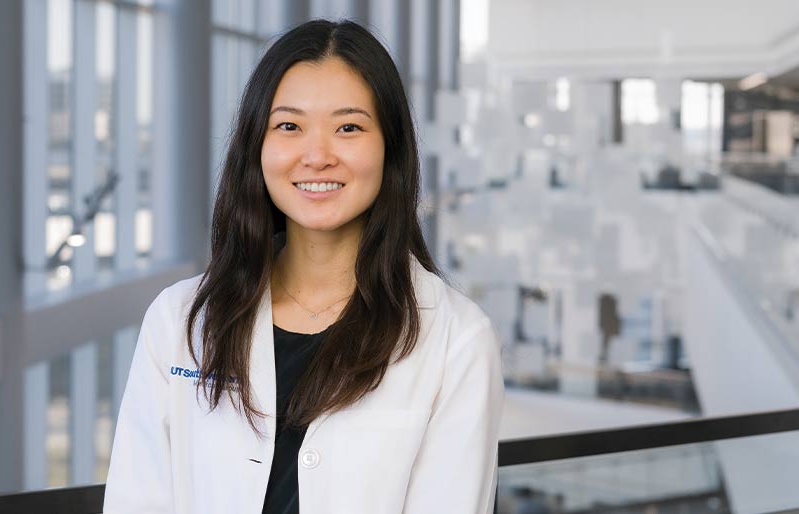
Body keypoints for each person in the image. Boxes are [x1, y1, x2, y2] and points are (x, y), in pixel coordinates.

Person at [102, 18, 502, 514]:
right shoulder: (179, 319)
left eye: (348, 128)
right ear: (257, 146)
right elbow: (135, 500)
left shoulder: (456, 340)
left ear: (390, 149)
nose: (317, 156)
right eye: (289, 126)